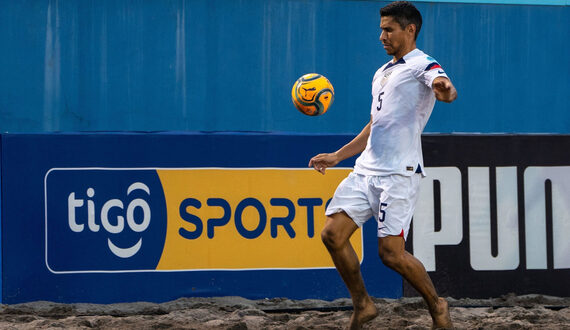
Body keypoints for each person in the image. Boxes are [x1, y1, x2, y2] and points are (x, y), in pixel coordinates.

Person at [309, 1, 457, 329]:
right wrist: (337, 155)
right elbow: (375, 124)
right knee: (332, 234)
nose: (382, 35)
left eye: (388, 29)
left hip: (398, 174)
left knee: (390, 255)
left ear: (410, 30)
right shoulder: (383, 72)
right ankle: (363, 305)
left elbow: (443, 86)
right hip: (365, 171)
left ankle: (437, 304)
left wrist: (444, 90)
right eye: (381, 29)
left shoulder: (423, 63)